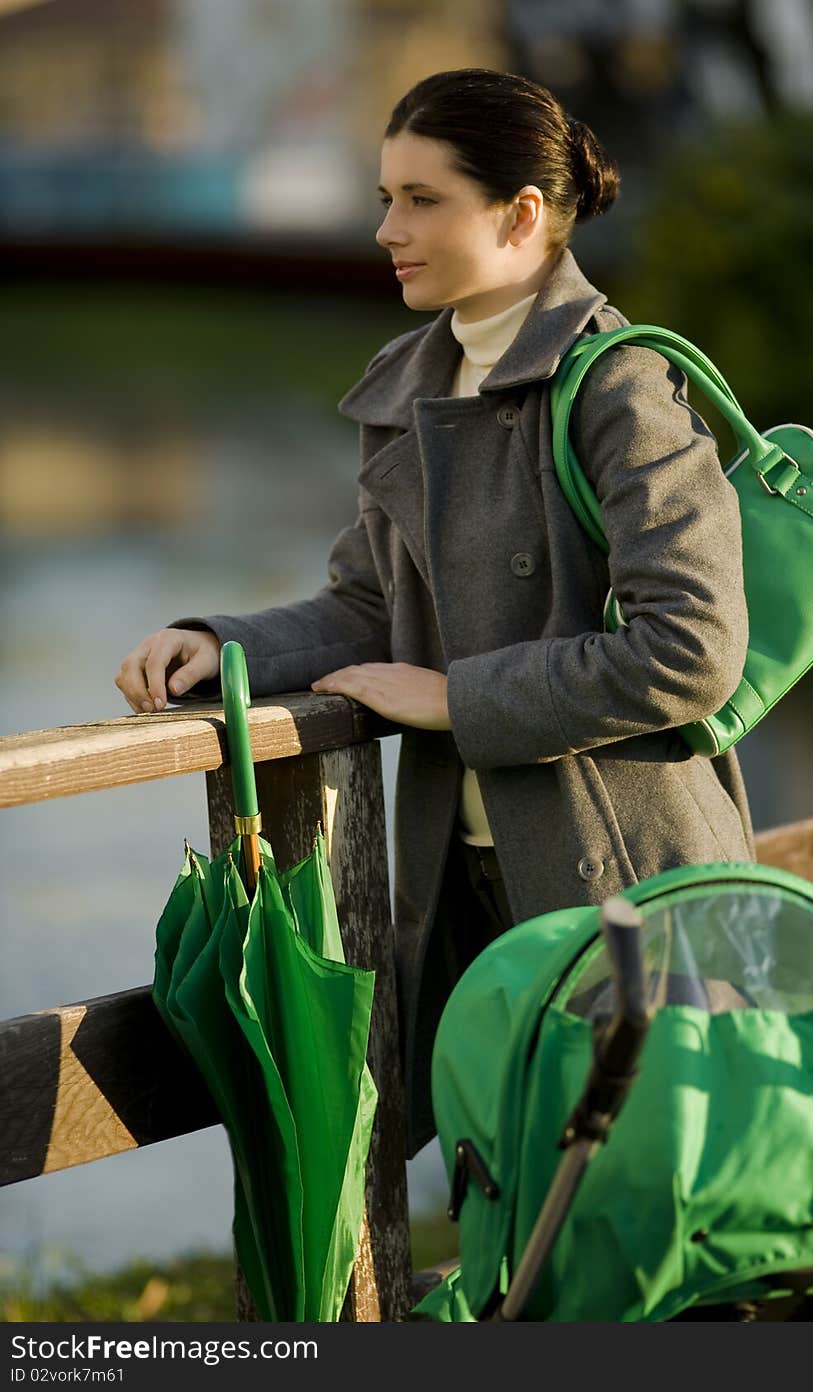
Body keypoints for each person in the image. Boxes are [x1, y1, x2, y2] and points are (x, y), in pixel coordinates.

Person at [115, 68, 755, 1158]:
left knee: (643, 1213)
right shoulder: (412, 381)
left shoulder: (619, 388)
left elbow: (692, 650)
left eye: (422, 200)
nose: (384, 231)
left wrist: (458, 696)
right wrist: (218, 645)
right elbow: (369, 606)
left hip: (620, 872)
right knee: (502, 1189)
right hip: (461, 877)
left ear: (521, 216)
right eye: (383, 198)